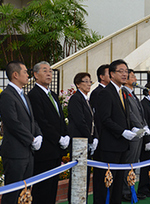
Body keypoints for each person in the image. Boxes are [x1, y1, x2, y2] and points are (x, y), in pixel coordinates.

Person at [0, 61, 42, 204]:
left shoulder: (24, 95)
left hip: (28, 153)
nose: (28, 75)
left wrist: (38, 134)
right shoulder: (7, 95)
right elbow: (13, 123)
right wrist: (31, 139)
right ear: (15, 75)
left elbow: (31, 120)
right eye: (25, 72)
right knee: (12, 193)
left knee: (26, 193)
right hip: (15, 153)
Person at [96, 59, 139, 204]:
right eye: (121, 71)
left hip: (122, 144)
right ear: (112, 74)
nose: (124, 74)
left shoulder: (122, 92)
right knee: (107, 181)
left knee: (119, 181)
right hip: (110, 145)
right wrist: (122, 131)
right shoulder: (105, 93)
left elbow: (124, 116)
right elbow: (105, 119)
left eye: (126, 71)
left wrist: (132, 127)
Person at [28, 61, 70, 204]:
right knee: (42, 188)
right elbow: (41, 121)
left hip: (56, 149)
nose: (49, 74)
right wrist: (58, 138)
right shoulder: (34, 94)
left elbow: (60, 118)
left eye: (50, 71)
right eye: (45, 71)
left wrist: (65, 135)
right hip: (45, 148)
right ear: (35, 74)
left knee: (52, 186)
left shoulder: (52, 94)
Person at [67, 72, 98, 203]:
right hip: (79, 140)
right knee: (77, 174)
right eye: (85, 81)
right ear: (78, 84)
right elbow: (80, 121)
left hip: (87, 140)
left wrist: (95, 136)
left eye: (90, 81)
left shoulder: (86, 99)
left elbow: (92, 121)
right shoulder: (76, 99)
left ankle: (82, 198)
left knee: (84, 173)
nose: (89, 84)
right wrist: (90, 139)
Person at [122, 69, 150, 201]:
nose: (135, 79)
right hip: (132, 132)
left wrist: (145, 126)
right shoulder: (124, 93)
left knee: (134, 162)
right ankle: (125, 190)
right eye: (132, 76)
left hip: (139, 133)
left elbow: (140, 113)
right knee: (129, 162)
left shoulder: (133, 94)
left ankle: (131, 188)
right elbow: (130, 113)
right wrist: (138, 126)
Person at [89, 64, 110, 204]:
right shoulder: (98, 93)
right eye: (110, 73)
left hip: (110, 140)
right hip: (101, 140)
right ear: (101, 77)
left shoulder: (111, 92)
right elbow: (98, 118)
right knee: (100, 175)